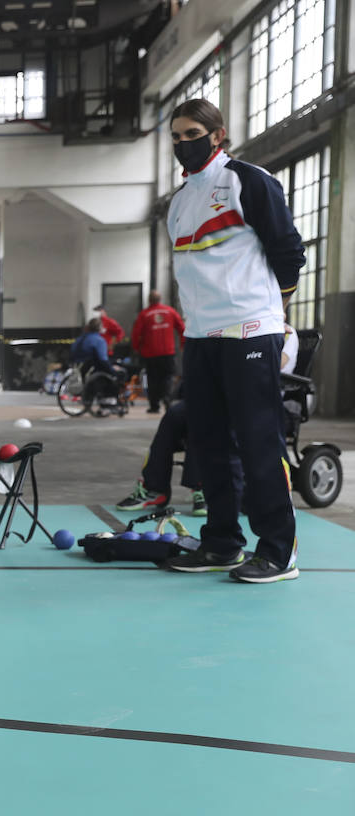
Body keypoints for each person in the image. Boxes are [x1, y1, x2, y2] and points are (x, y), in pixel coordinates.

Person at [162, 98, 305, 584]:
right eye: (176, 137)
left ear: (217, 135)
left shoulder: (248, 180)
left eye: (191, 134)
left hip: (249, 330)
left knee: (260, 441)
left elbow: (287, 249)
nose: (183, 143)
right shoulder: (179, 202)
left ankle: (278, 552)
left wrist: (271, 309)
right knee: (208, 445)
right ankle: (221, 544)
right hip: (201, 337)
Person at [117, 326, 298, 518]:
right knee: (175, 415)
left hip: (262, 404)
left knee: (208, 414)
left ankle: (204, 487)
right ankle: (154, 488)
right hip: (226, 395)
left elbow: (273, 363)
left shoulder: (286, 334)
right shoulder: (239, 325)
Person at [131, 290, 186, 412]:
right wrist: (183, 344)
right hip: (168, 352)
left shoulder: (144, 314)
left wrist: (136, 347)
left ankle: (154, 406)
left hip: (150, 353)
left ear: (149, 300)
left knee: (152, 379)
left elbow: (136, 333)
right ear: (160, 299)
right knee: (168, 376)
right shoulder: (170, 311)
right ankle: (167, 397)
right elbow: (182, 328)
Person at [69, 317, 126, 409]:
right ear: (100, 328)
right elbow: (102, 359)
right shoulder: (99, 341)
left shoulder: (79, 340)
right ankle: (110, 400)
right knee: (119, 373)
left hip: (80, 368)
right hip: (94, 370)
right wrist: (113, 370)